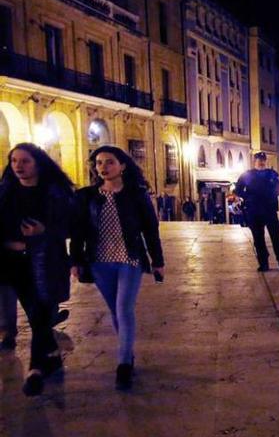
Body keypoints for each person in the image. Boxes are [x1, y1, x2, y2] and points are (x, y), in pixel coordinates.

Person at [70, 145, 164, 391]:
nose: (103, 167)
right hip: (99, 261)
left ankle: (123, 363)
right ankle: (127, 351)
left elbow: (150, 229)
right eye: (99, 163)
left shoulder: (136, 194)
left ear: (122, 165)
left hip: (130, 258)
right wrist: (76, 260)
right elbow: (78, 231)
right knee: (114, 309)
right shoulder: (86, 196)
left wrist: (158, 261)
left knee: (124, 308)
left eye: (109, 162)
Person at [0, 143, 75, 395]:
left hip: (46, 262)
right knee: (36, 316)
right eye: (14, 161)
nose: (18, 166)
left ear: (38, 163)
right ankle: (50, 357)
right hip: (14, 263)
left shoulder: (55, 193)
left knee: (40, 314)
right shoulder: (5, 192)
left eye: (25, 161)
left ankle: (35, 370)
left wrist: (45, 232)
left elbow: (69, 226)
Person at [235, 152, 279, 272]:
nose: (261, 162)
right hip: (254, 211)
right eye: (259, 159)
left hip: (269, 209)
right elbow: (238, 189)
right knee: (258, 238)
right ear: (255, 161)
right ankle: (263, 263)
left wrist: (271, 195)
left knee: (276, 237)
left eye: (263, 160)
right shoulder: (247, 175)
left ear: (266, 161)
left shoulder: (272, 174)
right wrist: (248, 197)